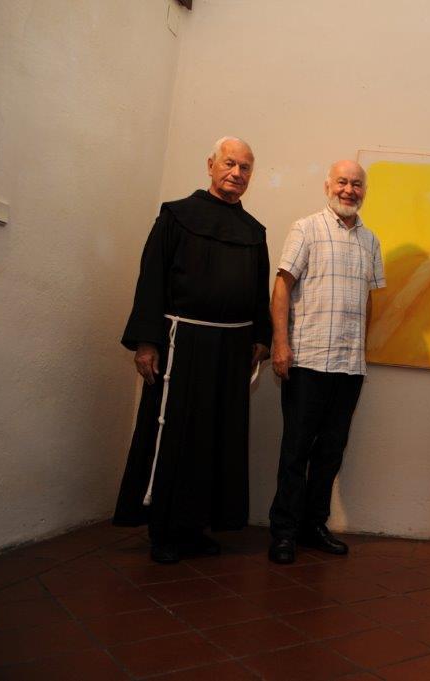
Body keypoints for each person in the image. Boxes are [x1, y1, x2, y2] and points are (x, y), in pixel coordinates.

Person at [113, 137, 271, 564]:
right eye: (229, 163)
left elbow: (258, 292)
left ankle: (198, 526)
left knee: (217, 437)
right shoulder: (176, 216)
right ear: (210, 164)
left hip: (232, 348)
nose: (236, 173)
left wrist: (261, 336)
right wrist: (147, 341)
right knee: (176, 435)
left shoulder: (254, 232)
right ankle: (164, 529)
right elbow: (151, 279)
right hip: (181, 344)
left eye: (245, 167)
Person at [267, 160, 385, 565]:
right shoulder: (306, 228)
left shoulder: (371, 240)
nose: (349, 190)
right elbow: (282, 287)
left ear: (364, 191)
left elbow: (368, 299)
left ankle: (313, 525)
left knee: (331, 452)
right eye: (342, 182)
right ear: (327, 186)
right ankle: (283, 532)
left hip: (349, 366)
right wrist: (280, 344)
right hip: (308, 359)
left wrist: (362, 350)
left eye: (357, 184)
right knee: (296, 451)